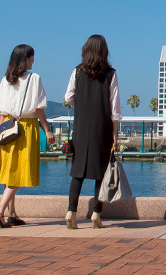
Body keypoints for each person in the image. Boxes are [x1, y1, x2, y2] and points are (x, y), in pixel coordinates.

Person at [0, 44, 53, 228]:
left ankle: (12, 215)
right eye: (32, 57)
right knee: (18, 171)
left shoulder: (6, 80)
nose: (34, 60)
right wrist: (47, 130)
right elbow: (39, 108)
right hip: (26, 127)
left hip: (8, 126)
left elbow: (1, 109)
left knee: (9, 171)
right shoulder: (34, 79)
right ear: (25, 59)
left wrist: (1, 130)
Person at [64, 34, 122, 229]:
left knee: (77, 172)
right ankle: (96, 214)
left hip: (81, 127)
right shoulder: (111, 74)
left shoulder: (77, 72)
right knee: (101, 172)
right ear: (104, 51)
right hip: (102, 127)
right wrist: (115, 133)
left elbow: (68, 97)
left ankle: (71, 211)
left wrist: (80, 104)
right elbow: (115, 108)